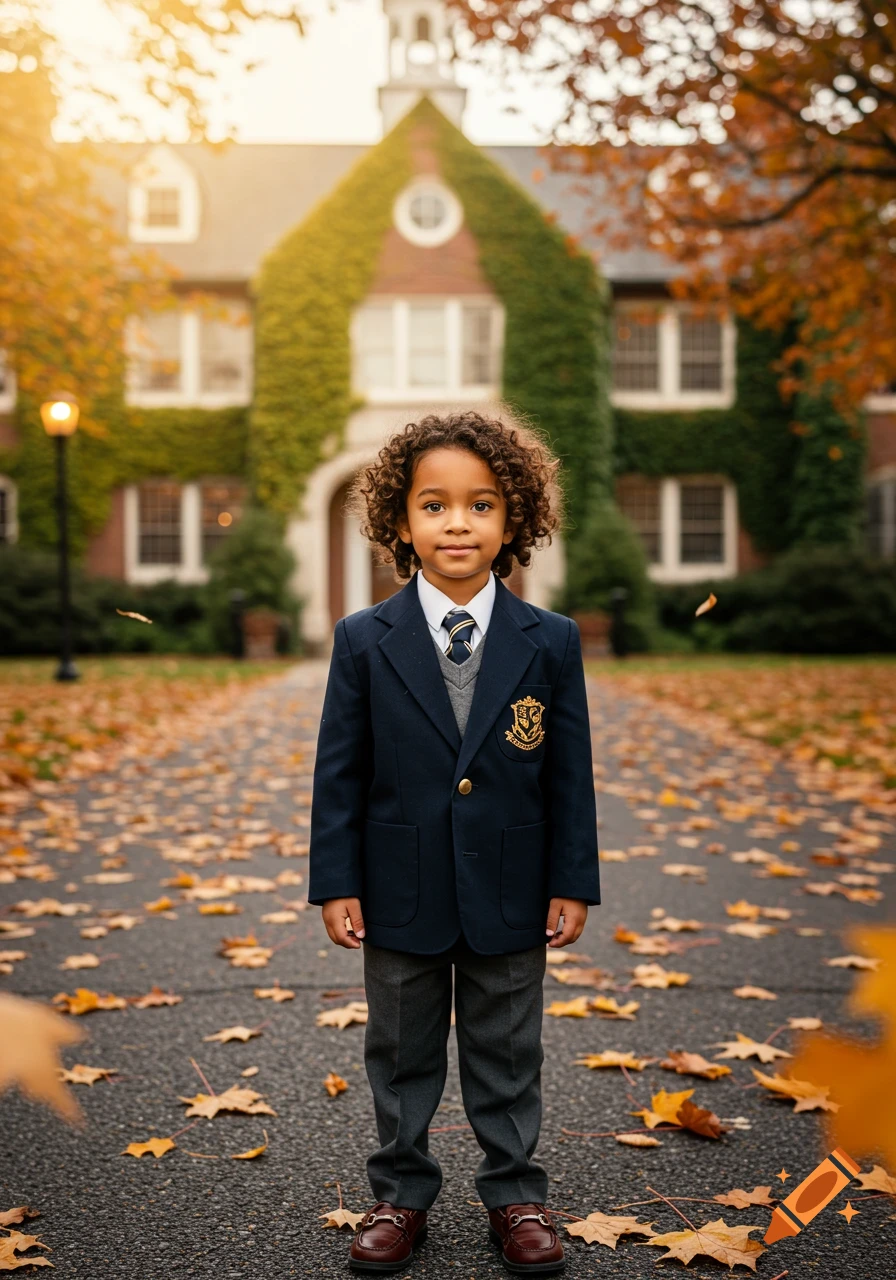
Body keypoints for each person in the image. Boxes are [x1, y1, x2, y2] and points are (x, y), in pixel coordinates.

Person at [308, 408, 601, 1274]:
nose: (458, 523)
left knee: (508, 1050)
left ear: (515, 521)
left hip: (512, 883)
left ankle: (516, 1195)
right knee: (399, 1053)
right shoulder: (364, 640)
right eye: (434, 506)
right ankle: (401, 1196)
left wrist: (572, 880)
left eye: (480, 506)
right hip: (397, 883)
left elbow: (568, 774)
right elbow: (340, 773)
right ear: (400, 523)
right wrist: (336, 880)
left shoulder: (551, 642)